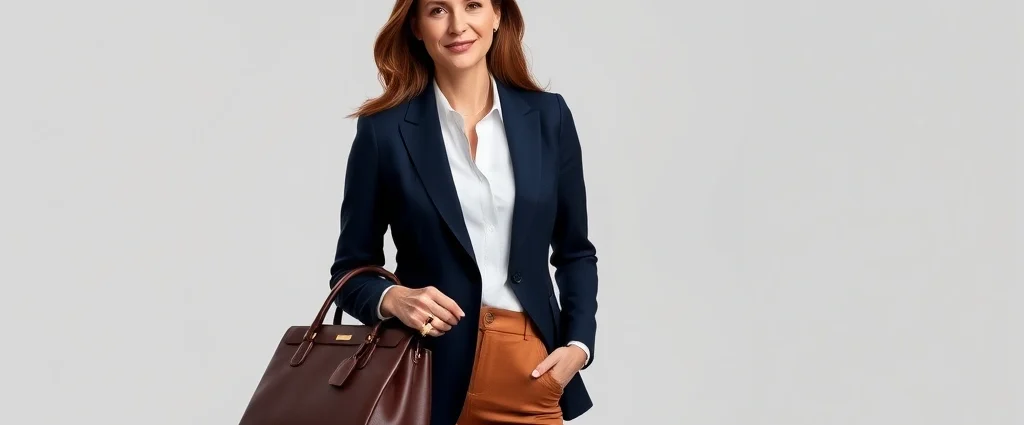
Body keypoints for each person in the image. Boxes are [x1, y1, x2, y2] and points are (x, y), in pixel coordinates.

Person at [328, 1, 598, 424]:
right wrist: (394, 298)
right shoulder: (383, 132)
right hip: (423, 378)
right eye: (438, 10)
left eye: (473, 5)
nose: (458, 25)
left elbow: (574, 251)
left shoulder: (548, 118)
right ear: (416, 25)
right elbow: (350, 272)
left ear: (497, 16)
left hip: (528, 372)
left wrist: (578, 346)